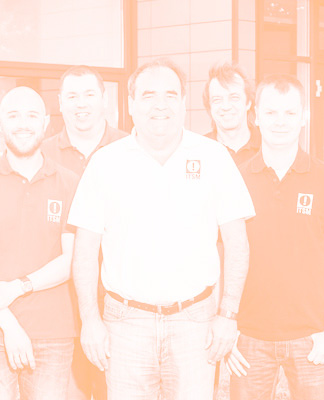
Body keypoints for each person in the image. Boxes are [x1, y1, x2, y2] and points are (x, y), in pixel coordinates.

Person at [67, 58, 255, 399]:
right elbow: (84, 252)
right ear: (131, 104)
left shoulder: (214, 157)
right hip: (125, 324)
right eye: (149, 95)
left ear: (183, 102)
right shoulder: (105, 163)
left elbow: (237, 245)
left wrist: (228, 314)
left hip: (196, 323)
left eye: (170, 95)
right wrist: (90, 320)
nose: (160, 105)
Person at [226, 74, 324, 399]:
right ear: (256, 116)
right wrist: (226, 324)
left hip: (313, 338)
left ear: (303, 117)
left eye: (289, 113)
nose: (280, 121)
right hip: (249, 337)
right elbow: (221, 256)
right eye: (271, 112)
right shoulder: (235, 180)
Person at [0, 86, 80, 399]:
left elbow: (72, 260)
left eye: (31, 115)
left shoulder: (69, 183)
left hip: (52, 332)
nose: (23, 124)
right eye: (13, 116)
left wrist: (16, 288)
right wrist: (9, 326)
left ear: (46, 122)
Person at [40, 65, 128, 176]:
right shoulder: (41, 154)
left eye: (89, 95)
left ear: (104, 99)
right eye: (72, 97)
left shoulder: (131, 149)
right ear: (60, 103)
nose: (81, 104)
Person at [202, 62, 261, 165]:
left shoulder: (268, 146)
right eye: (217, 100)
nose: (226, 107)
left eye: (234, 98)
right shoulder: (198, 150)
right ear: (210, 107)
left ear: (248, 102)